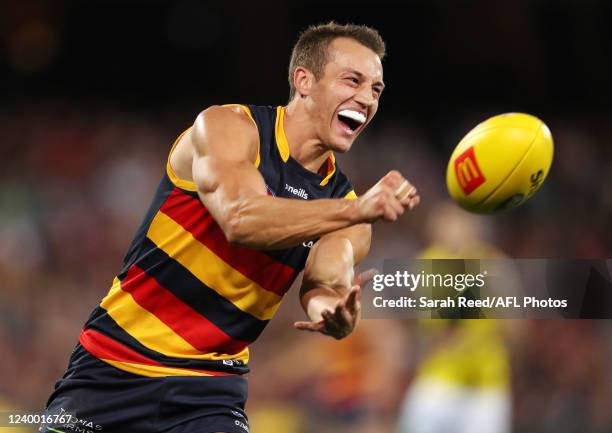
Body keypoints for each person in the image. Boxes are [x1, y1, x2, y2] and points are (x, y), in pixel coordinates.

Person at [41, 22, 420, 433]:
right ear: (304, 80)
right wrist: (357, 211)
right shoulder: (229, 129)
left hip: (209, 393)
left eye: (376, 89)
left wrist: (332, 312)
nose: (365, 98)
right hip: (110, 368)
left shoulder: (348, 209)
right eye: (353, 80)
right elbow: (241, 219)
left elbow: (325, 282)